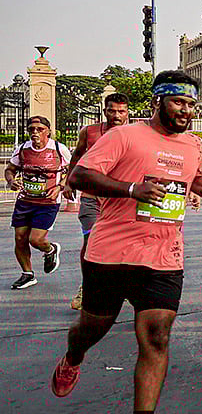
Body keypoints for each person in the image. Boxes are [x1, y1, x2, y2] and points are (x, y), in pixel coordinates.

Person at [52, 70, 202, 414]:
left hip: (164, 255)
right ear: (158, 101)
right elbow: (79, 175)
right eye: (179, 102)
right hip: (111, 253)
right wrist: (131, 190)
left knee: (157, 338)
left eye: (192, 104)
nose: (186, 111)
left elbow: (191, 182)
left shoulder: (194, 145)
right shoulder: (124, 136)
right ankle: (73, 357)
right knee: (91, 329)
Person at [64, 94, 130, 307]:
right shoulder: (89, 132)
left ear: (128, 112)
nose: (117, 115)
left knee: (125, 246)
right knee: (91, 241)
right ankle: (88, 286)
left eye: (121, 111)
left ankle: (127, 287)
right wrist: (68, 182)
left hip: (122, 200)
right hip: (92, 198)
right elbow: (76, 157)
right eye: (112, 110)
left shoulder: (135, 133)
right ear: (104, 111)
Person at [5, 116, 72, 289]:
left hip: (48, 202)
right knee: (20, 238)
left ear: (48, 131)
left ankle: (50, 250)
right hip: (24, 201)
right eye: (32, 129)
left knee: (36, 240)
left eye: (39, 129)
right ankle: (27, 274)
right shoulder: (22, 149)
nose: (35, 133)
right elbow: (10, 169)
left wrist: (61, 186)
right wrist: (12, 181)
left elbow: (73, 170)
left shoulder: (59, 149)